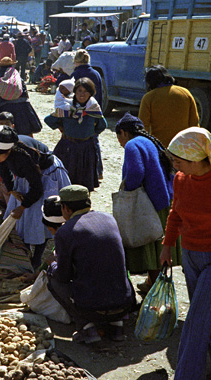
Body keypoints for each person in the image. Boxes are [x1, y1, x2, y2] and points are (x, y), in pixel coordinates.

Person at [47, 185, 135, 343]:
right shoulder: (109, 219)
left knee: (53, 280)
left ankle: (87, 328)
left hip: (93, 308)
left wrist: (53, 264)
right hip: (125, 302)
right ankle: (117, 326)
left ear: (65, 208)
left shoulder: (65, 232)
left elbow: (63, 276)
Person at [158, 127, 211, 379]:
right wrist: (167, 245)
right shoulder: (181, 179)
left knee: (197, 320)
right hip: (190, 254)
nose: (175, 165)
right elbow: (175, 214)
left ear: (196, 159)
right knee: (205, 314)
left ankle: (187, 374)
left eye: (178, 160)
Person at [114, 112, 180, 292]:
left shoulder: (132, 145)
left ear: (123, 132)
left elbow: (135, 172)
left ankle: (157, 288)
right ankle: (152, 283)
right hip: (163, 200)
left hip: (148, 203)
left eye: (118, 137)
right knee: (156, 245)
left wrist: (127, 193)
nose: (120, 142)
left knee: (150, 247)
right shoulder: (151, 141)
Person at [0, 125, 70, 269]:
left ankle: (36, 258)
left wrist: (22, 207)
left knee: (39, 219)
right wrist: (12, 189)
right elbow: (2, 166)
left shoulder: (22, 158)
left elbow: (37, 188)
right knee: (22, 222)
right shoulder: (3, 154)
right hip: (29, 178)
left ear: (8, 151)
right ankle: (24, 254)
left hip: (46, 176)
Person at [44, 77, 107, 191]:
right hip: (67, 147)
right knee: (65, 181)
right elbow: (49, 120)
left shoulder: (93, 108)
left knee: (84, 181)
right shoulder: (66, 106)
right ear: (74, 92)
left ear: (90, 93)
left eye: (85, 91)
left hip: (86, 149)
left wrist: (89, 134)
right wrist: (62, 125)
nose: (82, 94)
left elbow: (102, 125)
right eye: (79, 91)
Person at [138, 65, 199, 148]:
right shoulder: (185, 93)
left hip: (160, 148)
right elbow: (194, 123)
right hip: (183, 148)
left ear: (149, 82)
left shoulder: (149, 97)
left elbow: (142, 126)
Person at [0, 57, 43, 137]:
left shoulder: (0, 75)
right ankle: (30, 145)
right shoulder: (16, 74)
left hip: (6, 105)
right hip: (22, 105)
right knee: (27, 130)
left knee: (6, 132)